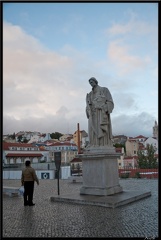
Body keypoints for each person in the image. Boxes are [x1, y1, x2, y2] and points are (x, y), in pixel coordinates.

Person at [85, 77, 114, 149]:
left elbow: (110, 102)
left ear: (95, 82)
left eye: (92, 82)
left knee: (102, 129)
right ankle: (94, 144)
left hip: (101, 113)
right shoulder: (90, 94)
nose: (91, 84)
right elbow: (88, 105)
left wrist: (103, 107)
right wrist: (87, 109)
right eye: (90, 83)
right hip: (93, 114)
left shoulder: (104, 90)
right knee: (92, 130)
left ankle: (103, 145)